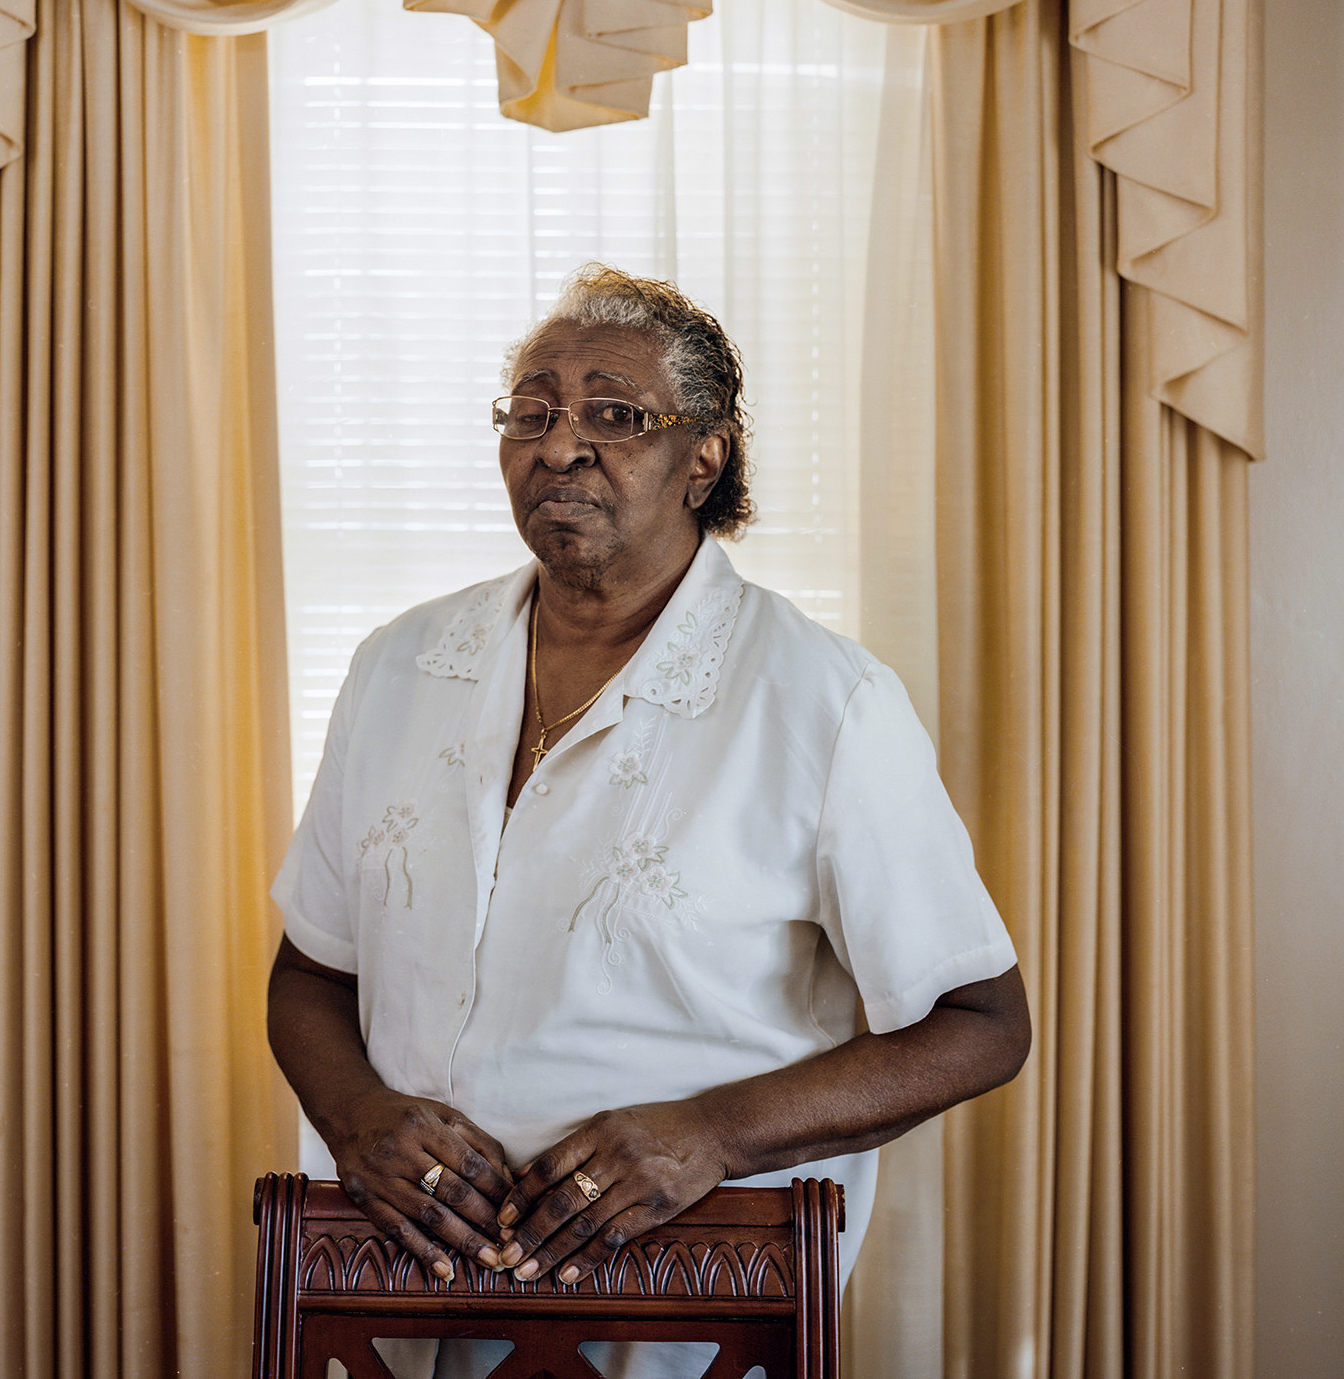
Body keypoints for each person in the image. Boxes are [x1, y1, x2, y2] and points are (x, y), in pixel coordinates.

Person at [267, 266, 1028, 1379]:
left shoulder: (822, 703)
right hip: (396, 1290)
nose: (558, 445)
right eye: (531, 412)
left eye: (612, 415)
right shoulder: (399, 664)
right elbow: (310, 974)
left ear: (703, 457)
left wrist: (711, 1131)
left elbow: (979, 1023)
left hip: (678, 1314)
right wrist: (359, 1116)